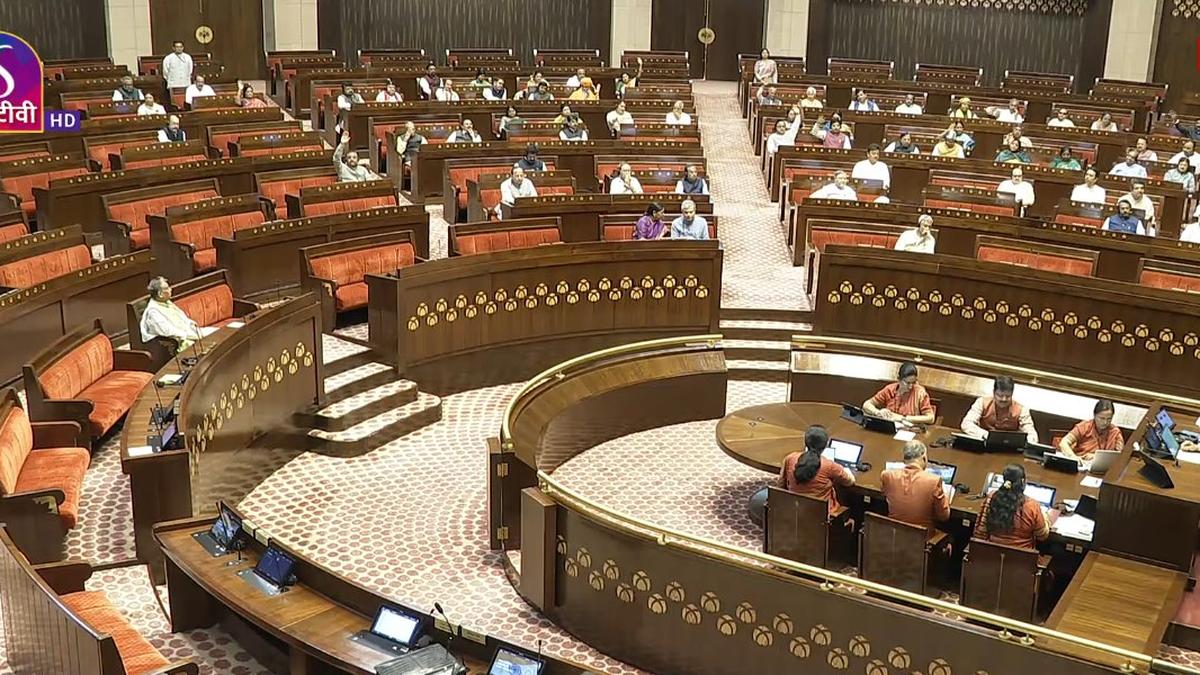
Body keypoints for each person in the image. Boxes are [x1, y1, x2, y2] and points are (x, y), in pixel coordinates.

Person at [748, 424, 855, 524]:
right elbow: (849, 482)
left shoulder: (790, 458)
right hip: (821, 519)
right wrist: (845, 470)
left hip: (793, 511)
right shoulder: (830, 465)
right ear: (826, 445)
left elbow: (781, 486)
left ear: (805, 442)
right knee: (852, 520)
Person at [973, 464, 1050, 550]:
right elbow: (1042, 536)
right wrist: (1045, 517)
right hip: (1020, 557)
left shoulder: (992, 497)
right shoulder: (1032, 506)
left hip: (990, 554)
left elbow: (981, 530)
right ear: (1023, 481)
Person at [880, 440, 952, 531]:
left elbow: (884, 493)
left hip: (894, 534)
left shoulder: (887, 475)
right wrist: (946, 497)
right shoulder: (934, 481)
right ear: (924, 458)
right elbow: (944, 516)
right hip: (922, 537)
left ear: (904, 459)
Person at [961, 376, 1039, 443]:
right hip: (984, 443)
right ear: (994, 393)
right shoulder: (981, 402)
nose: (1004, 399)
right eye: (1000, 396)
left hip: (1010, 448)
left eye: (1008, 396)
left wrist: (1025, 440)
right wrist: (986, 435)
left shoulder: (1022, 410)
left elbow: (1032, 435)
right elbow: (966, 423)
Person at [140, 277, 201, 352]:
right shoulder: (153, 312)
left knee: (213, 332)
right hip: (178, 343)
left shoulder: (166, 302)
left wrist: (191, 324)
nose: (170, 289)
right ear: (160, 294)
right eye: (167, 288)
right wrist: (190, 335)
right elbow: (167, 331)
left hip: (189, 334)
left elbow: (181, 318)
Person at [862, 361, 935, 424]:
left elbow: (930, 418)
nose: (910, 386)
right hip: (890, 427)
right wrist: (878, 412)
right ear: (899, 379)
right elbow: (866, 404)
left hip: (909, 430)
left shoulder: (920, 392)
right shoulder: (889, 389)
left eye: (913, 382)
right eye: (907, 383)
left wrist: (903, 418)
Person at [1059, 400, 1123, 461]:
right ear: (1094, 415)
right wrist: (1073, 457)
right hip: (1081, 461)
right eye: (1102, 418)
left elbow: (1120, 455)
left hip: (1104, 466)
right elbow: (1064, 443)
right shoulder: (1085, 426)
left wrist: (1096, 457)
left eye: (1109, 419)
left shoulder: (1115, 432)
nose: (1105, 422)